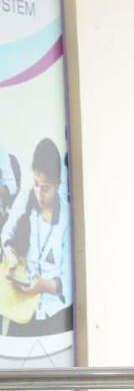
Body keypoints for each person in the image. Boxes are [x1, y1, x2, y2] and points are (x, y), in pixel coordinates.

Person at [0, 138, 72, 336]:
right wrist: (10, 254)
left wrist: (44, 286)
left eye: (46, 187)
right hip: (22, 308)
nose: (39, 193)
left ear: (58, 183)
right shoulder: (25, 198)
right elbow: (6, 234)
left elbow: (69, 279)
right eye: (36, 184)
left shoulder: (67, 216)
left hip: (53, 313)